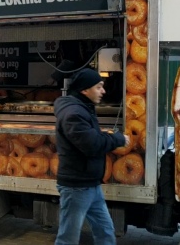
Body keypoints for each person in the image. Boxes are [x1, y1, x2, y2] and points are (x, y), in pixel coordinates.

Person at [53, 68, 130, 245]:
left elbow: (92, 137)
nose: (103, 91)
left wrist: (108, 137)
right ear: (84, 90)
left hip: (91, 183)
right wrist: (116, 139)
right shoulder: (74, 113)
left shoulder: (83, 109)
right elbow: (91, 144)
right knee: (68, 238)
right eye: (99, 87)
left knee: (105, 231)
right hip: (76, 186)